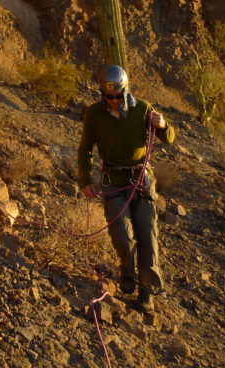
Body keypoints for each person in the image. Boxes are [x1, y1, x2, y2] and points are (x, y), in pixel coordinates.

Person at [77, 64, 176, 315]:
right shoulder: (94, 113)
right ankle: (127, 273)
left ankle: (147, 293)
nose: (113, 100)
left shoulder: (142, 108)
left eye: (117, 96)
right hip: (113, 181)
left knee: (147, 236)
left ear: (125, 90)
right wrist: (86, 180)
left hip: (141, 181)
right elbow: (85, 149)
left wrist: (163, 124)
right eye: (108, 96)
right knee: (122, 236)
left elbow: (170, 138)